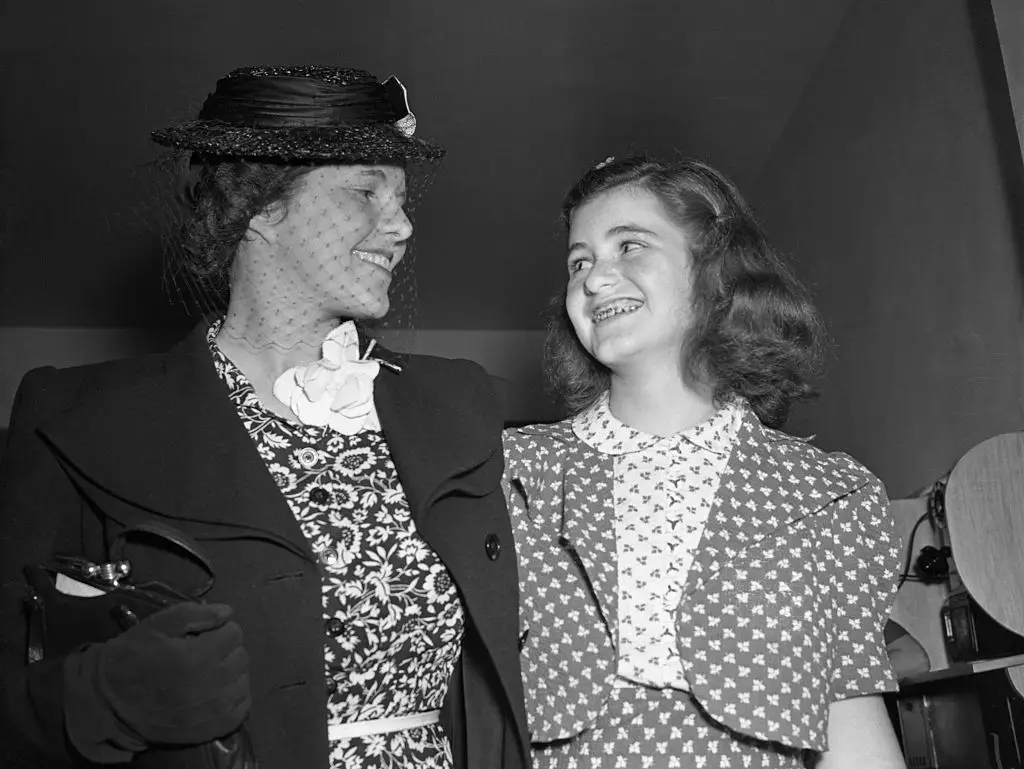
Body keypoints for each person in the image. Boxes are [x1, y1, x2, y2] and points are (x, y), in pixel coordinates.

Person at [0, 65, 528, 769]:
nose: (401, 225)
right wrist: (99, 696)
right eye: (365, 190)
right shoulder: (78, 419)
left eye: (401, 198)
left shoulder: (462, 406)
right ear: (259, 209)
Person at [503, 156, 906, 768]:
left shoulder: (829, 495)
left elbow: (850, 716)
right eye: (579, 261)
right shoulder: (513, 476)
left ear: (714, 270)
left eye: (629, 246)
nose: (593, 278)